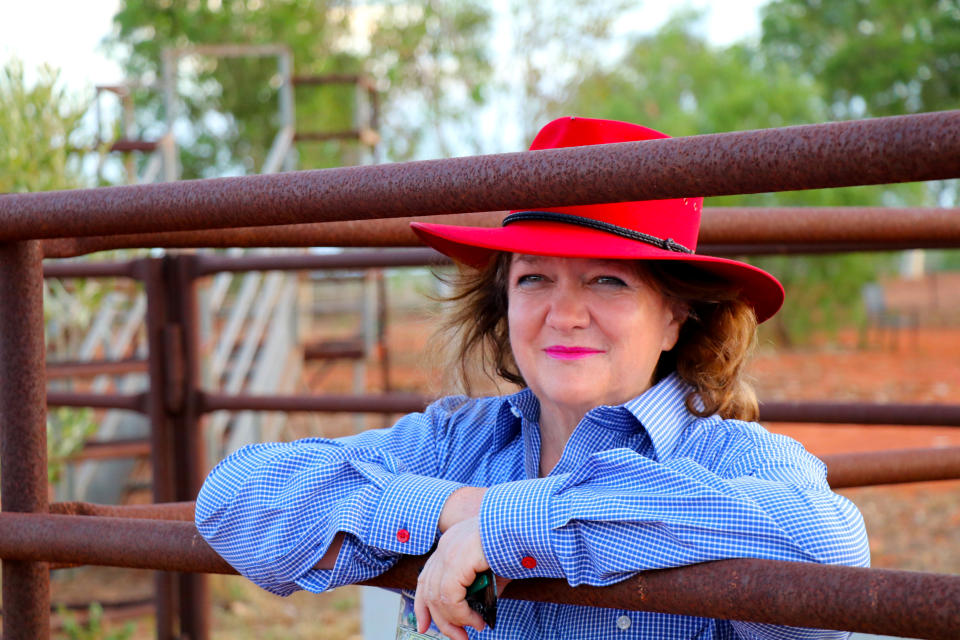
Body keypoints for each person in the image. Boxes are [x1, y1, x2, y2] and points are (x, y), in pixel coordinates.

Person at [195, 117, 870, 639]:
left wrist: (511, 526)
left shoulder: (731, 460)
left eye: (608, 281)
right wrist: (454, 509)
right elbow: (231, 500)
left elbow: (831, 551)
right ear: (505, 304)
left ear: (676, 319)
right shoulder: (458, 445)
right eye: (534, 279)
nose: (564, 314)